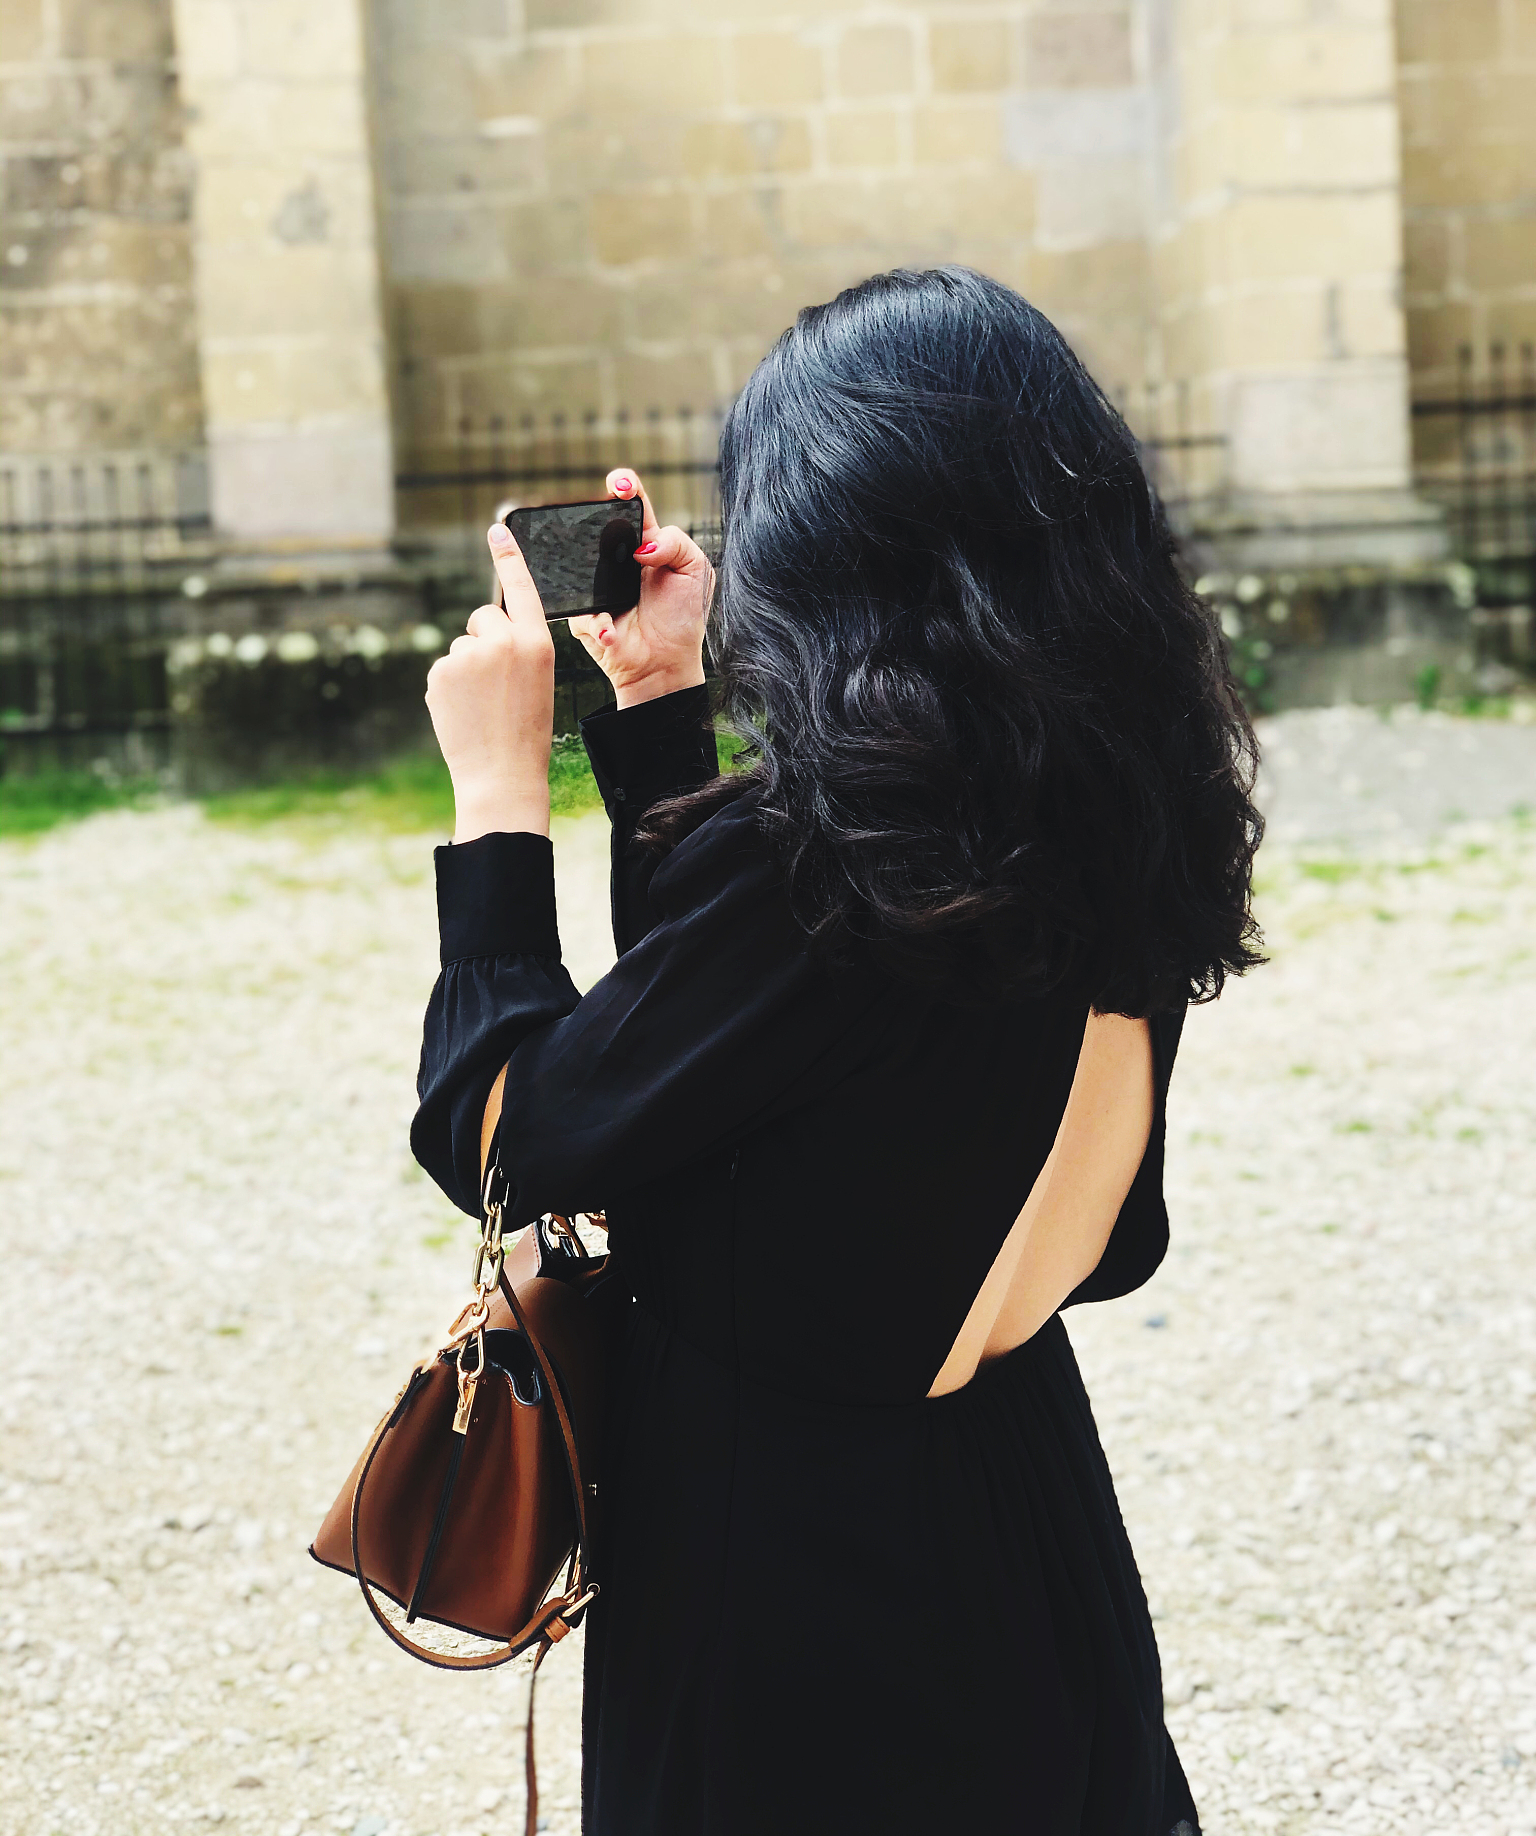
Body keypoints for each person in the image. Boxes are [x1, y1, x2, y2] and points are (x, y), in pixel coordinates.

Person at [411, 266, 1263, 1836]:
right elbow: (728, 1055)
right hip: (1020, 1501)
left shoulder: (836, 875)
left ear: (840, 546)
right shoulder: (1105, 813)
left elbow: (516, 1139)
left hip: (793, 1571)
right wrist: (660, 700)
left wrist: (497, 798)